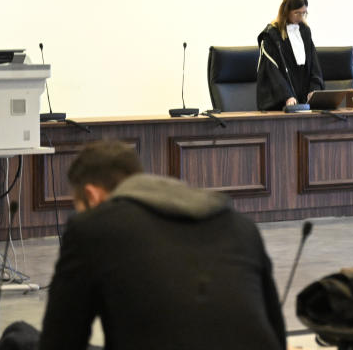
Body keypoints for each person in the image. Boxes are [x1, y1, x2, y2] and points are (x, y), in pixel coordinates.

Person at [39, 140, 285, 350]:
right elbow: (276, 331)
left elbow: (61, 341)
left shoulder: (91, 229)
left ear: (92, 195)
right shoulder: (240, 225)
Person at [256, 0, 324, 110]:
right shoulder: (272, 35)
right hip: (281, 103)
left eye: (304, 13)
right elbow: (272, 72)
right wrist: (286, 95)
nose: (301, 17)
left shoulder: (305, 31)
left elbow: (313, 65)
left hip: (303, 102)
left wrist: (314, 90)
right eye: (297, 13)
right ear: (286, 11)